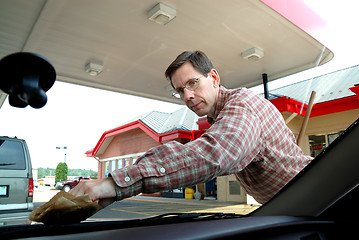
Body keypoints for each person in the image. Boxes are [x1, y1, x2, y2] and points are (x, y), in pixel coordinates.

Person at [70, 50, 312, 206]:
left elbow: (216, 153)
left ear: (214, 78)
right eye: (180, 91)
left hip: (318, 198)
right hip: (289, 208)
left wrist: (116, 183)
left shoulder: (243, 104)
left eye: (193, 83)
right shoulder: (221, 118)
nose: (188, 95)